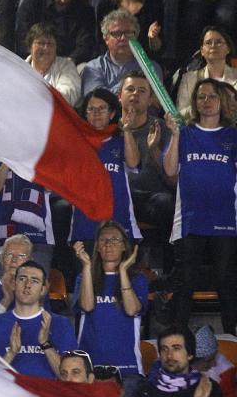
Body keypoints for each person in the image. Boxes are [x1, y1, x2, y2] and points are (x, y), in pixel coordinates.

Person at [163, 78, 237, 335]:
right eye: (201, 97)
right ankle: (178, 338)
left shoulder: (232, 135)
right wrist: (173, 135)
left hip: (226, 219)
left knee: (227, 282)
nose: (206, 102)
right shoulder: (185, 133)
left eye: (212, 96)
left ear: (222, 101)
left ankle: (231, 337)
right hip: (190, 219)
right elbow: (170, 170)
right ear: (194, 102)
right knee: (185, 282)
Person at [73, 221, 147, 377]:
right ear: (97, 248)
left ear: (124, 246)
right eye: (103, 240)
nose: (108, 244)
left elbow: (132, 309)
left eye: (115, 240)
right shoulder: (84, 277)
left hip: (127, 367)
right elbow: (87, 306)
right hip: (89, 368)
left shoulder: (137, 279)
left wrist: (123, 271)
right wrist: (86, 266)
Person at [0, 260, 77, 379]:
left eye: (34, 281)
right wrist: (11, 353)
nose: (28, 285)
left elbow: (68, 379)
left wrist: (45, 344)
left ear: (43, 290)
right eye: (22, 279)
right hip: (8, 395)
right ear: (14, 285)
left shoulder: (61, 324)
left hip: (47, 395)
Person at [71, 89, 142, 245]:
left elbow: (133, 163)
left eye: (102, 108)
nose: (96, 113)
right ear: (85, 114)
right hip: (84, 226)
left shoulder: (121, 141)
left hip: (120, 223)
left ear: (111, 114)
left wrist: (128, 131)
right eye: (91, 109)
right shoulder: (76, 145)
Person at [118, 72, 176, 245]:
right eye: (130, 89)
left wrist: (155, 150)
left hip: (151, 199)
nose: (135, 93)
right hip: (117, 198)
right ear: (119, 96)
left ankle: (168, 266)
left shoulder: (163, 129)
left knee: (167, 203)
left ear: (151, 99)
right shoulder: (108, 129)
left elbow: (172, 181)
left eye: (142, 90)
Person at [81, 10, 162, 96]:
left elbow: (155, 103)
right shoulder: (93, 68)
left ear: (136, 37)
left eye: (128, 33)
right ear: (106, 39)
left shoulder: (151, 68)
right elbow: (97, 100)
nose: (123, 38)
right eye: (117, 33)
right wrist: (133, 90)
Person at [15, 0, 96, 64]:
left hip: (70, 63)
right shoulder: (32, 4)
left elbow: (86, 44)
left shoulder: (84, 9)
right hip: (36, 60)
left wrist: (70, 60)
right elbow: (23, 40)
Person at [176, 27, 237, 120]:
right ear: (202, 51)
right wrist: (199, 106)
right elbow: (180, 116)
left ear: (228, 48)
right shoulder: (189, 78)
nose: (213, 46)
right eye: (208, 43)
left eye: (219, 42)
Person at [23, 23, 80, 106]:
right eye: (41, 43)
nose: (46, 48)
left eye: (50, 44)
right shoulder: (19, 68)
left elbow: (69, 93)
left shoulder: (66, 66)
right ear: (29, 47)